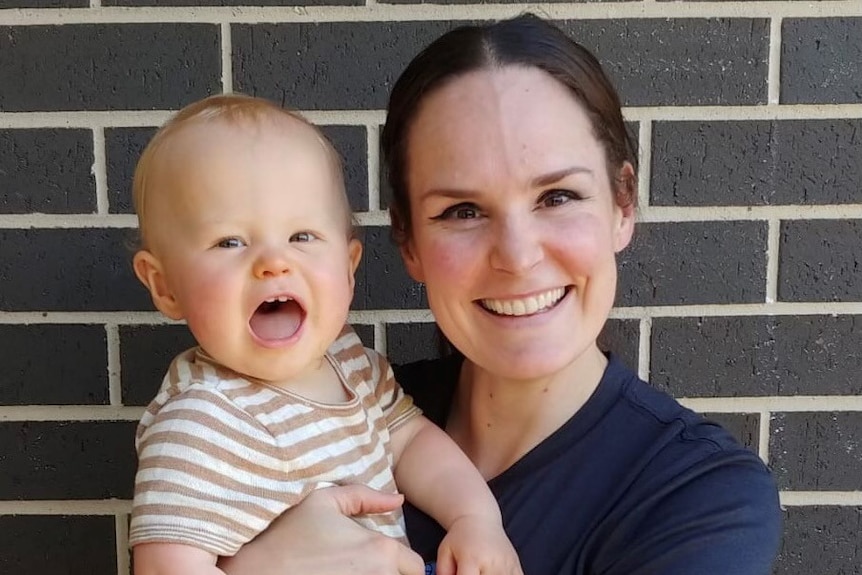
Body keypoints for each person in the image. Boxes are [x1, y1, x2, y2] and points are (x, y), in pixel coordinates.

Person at [218, 13, 782, 575]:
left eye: (558, 196)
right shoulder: (323, 412)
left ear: (622, 204)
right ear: (408, 241)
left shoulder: (699, 498)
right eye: (462, 211)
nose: (517, 256)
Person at [128, 93, 522, 575]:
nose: (274, 262)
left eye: (301, 237)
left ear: (348, 267)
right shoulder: (199, 421)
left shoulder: (351, 363)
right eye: (230, 241)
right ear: (165, 286)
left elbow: (413, 444)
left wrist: (475, 520)